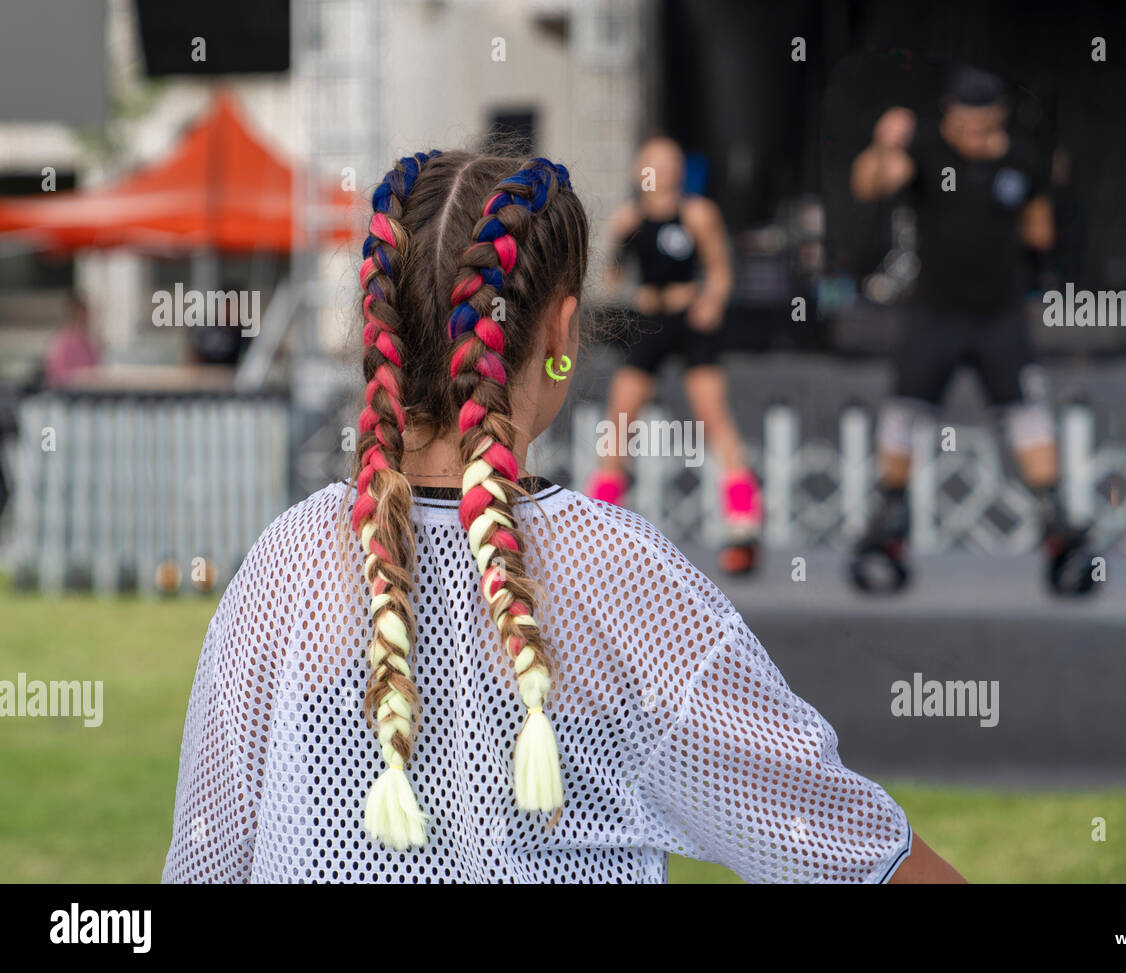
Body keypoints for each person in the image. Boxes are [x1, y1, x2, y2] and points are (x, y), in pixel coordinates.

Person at [161, 149, 963, 883]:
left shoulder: (287, 561)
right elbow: (854, 855)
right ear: (559, 331)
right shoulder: (616, 572)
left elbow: (206, 861)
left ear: (382, 332)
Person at [848, 65, 1095, 594]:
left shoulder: (1023, 160)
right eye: (962, 124)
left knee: (1027, 409)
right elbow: (871, 184)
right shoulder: (926, 152)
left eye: (981, 126)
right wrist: (884, 146)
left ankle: (1055, 518)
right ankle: (888, 515)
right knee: (905, 408)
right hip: (934, 312)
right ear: (949, 117)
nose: (971, 136)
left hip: (998, 315)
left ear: (998, 117)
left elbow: (1039, 226)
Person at [586, 135, 763, 575]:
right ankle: (597, 525)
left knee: (712, 416)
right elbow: (612, 275)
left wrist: (710, 303)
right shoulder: (629, 219)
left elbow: (720, 270)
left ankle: (744, 525)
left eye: (670, 162)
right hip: (649, 321)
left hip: (690, 319)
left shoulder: (698, 213)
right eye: (653, 162)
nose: (661, 170)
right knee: (620, 418)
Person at [42, 291, 100, 387]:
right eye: (83, 315)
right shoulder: (61, 342)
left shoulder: (87, 341)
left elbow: (95, 368)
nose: (87, 319)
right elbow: (57, 376)